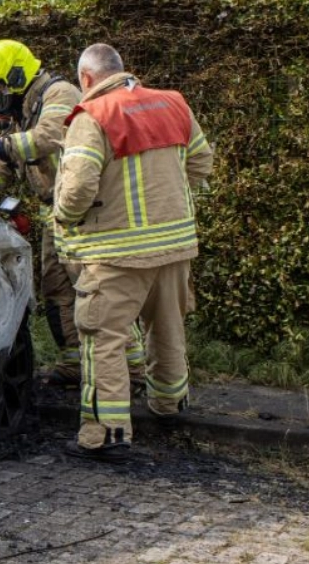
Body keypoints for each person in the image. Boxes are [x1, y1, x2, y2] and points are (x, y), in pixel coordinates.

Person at [52, 43, 214, 463]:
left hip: (115, 254)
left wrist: (65, 218)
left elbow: (78, 190)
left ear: (86, 79)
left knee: (103, 339)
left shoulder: (92, 117)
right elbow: (202, 163)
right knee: (168, 328)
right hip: (175, 247)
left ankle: (106, 434)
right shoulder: (174, 104)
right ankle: (169, 407)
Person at [0, 39, 89, 380]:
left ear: (16, 77)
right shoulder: (21, 112)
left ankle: (118, 366)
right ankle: (74, 362)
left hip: (84, 212)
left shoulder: (59, 94)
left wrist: (0, 142)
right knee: (56, 288)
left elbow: (47, 136)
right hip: (55, 213)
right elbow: (2, 165)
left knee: (92, 288)